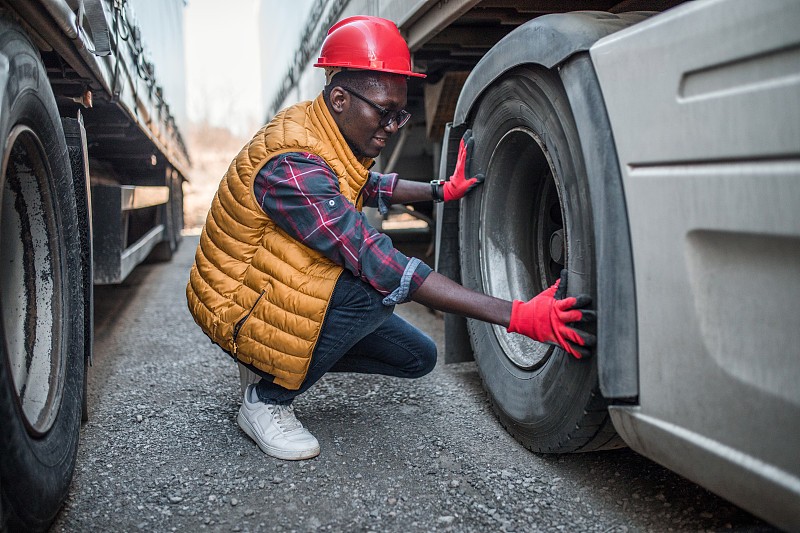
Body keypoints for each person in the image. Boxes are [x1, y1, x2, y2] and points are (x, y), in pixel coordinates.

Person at [186, 16, 595, 461]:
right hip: (235, 304)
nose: (392, 126)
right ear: (340, 98)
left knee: (416, 357)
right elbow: (376, 259)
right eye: (384, 112)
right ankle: (266, 399)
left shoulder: (322, 128)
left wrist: (441, 190)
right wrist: (514, 315)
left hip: (262, 288)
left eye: (400, 114)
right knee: (371, 290)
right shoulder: (293, 164)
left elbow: (364, 183)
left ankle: (269, 358)